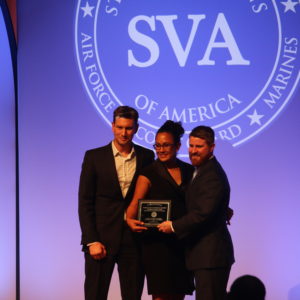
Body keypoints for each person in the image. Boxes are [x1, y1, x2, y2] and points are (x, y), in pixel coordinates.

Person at [78, 106, 155, 300]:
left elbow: (152, 196)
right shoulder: (94, 157)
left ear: (136, 128)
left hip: (134, 240)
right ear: (112, 126)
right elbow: (85, 201)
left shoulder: (147, 157)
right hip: (100, 240)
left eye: (129, 128)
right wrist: (91, 240)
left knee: (132, 296)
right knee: (95, 295)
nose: (124, 133)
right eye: (120, 127)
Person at [158, 125, 235, 300]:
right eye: (191, 146)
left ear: (212, 147)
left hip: (211, 257)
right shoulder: (200, 170)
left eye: (199, 147)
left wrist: (173, 226)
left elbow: (202, 213)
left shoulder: (212, 175)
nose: (193, 151)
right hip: (203, 255)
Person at [126, 120, 195, 300]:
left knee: (179, 295)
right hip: (157, 246)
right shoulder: (148, 173)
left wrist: (223, 209)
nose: (161, 150)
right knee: (161, 296)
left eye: (166, 145)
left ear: (178, 146)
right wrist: (129, 220)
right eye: (157, 145)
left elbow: (201, 201)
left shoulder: (190, 171)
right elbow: (134, 205)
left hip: (182, 244)